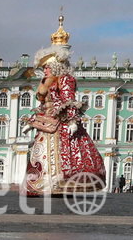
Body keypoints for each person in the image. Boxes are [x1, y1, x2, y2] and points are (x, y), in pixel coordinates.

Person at [21, 16, 106, 196]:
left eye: (47, 67)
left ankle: (57, 184)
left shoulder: (66, 79)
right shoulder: (47, 82)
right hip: (47, 123)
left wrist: (71, 120)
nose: (44, 70)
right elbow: (43, 102)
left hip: (62, 123)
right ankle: (41, 184)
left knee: (64, 154)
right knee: (41, 153)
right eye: (44, 68)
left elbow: (69, 100)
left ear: (55, 66)